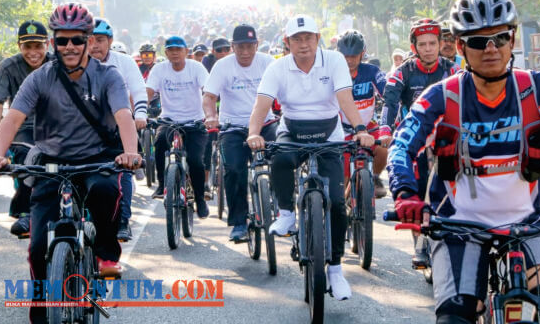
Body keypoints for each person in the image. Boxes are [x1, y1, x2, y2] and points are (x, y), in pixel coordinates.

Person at [388, 0, 540, 324]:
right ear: (462, 48)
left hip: (528, 225)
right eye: (478, 42)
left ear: (512, 40)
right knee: (455, 315)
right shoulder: (441, 96)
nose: (491, 48)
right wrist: (405, 193)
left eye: (499, 38)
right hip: (457, 226)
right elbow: (402, 146)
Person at [0, 3, 141, 323]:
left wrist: (130, 152)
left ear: (87, 40)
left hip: (97, 158)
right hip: (51, 161)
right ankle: (44, 302)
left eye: (77, 40)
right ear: (54, 42)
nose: (69, 47)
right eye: (62, 40)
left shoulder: (108, 76)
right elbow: (12, 118)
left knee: (106, 191)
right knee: (38, 242)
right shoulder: (40, 78)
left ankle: (104, 253)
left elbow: (123, 115)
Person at [247, 15, 374, 301]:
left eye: (308, 38)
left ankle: (337, 271)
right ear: (287, 43)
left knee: (338, 204)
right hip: (292, 130)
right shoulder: (277, 67)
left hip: (329, 133)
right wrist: (254, 133)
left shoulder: (335, 61)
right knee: (278, 159)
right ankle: (287, 214)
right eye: (296, 39)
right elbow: (262, 103)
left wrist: (361, 129)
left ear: (317, 39)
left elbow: (344, 98)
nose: (303, 44)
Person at [381, 18, 460, 268]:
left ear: (440, 44)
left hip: (447, 139)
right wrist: (385, 130)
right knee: (417, 191)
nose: (428, 48)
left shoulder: (453, 71)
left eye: (433, 43)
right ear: (414, 47)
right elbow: (390, 103)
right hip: (415, 140)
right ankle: (420, 245)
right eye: (422, 44)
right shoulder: (402, 72)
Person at [203, 24, 276, 241]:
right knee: (234, 170)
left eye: (250, 46)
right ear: (233, 46)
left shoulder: (269, 64)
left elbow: (288, 90)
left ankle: (280, 204)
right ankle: (238, 223)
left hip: (266, 124)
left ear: (257, 45)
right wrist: (210, 116)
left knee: (283, 157)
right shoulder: (222, 66)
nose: (245, 52)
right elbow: (209, 97)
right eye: (240, 47)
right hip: (232, 127)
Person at [0, 20, 54, 237]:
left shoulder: (58, 64)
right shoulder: (7, 67)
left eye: (38, 46)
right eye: (27, 47)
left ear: (47, 45)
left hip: (57, 126)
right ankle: (26, 212)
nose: (33, 52)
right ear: (19, 46)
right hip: (23, 127)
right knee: (28, 160)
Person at [89, 17, 148, 241]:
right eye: (89, 40)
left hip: (119, 129)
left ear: (110, 41)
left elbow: (139, 92)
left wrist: (140, 115)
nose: (94, 45)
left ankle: (123, 220)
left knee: (122, 170)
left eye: (100, 40)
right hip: (83, 132)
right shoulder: (75, 64)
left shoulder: (124, 63)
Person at [146, 36, 210, 218]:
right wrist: (140, 112)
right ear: (165, 53)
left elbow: (207, 90)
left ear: (186, 51)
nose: (174, 53)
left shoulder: (196, 68)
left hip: (194, 121)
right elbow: (148, 91)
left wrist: (210, 115)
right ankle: (161, 184)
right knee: (159, 143)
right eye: (170, 49)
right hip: (168, 119)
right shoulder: (159, 69)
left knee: (196, 161)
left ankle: (199, 199)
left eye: (178, 49)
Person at [336, 30, 389, 198]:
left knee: (383, 147)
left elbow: (388, 94)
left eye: (354, 56)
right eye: (346, 56)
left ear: (363, 53)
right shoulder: (333, 73)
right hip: (341, 129)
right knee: (343, 180)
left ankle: (373, 177)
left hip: (368, 126)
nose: (350, 60)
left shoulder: (372, 71)